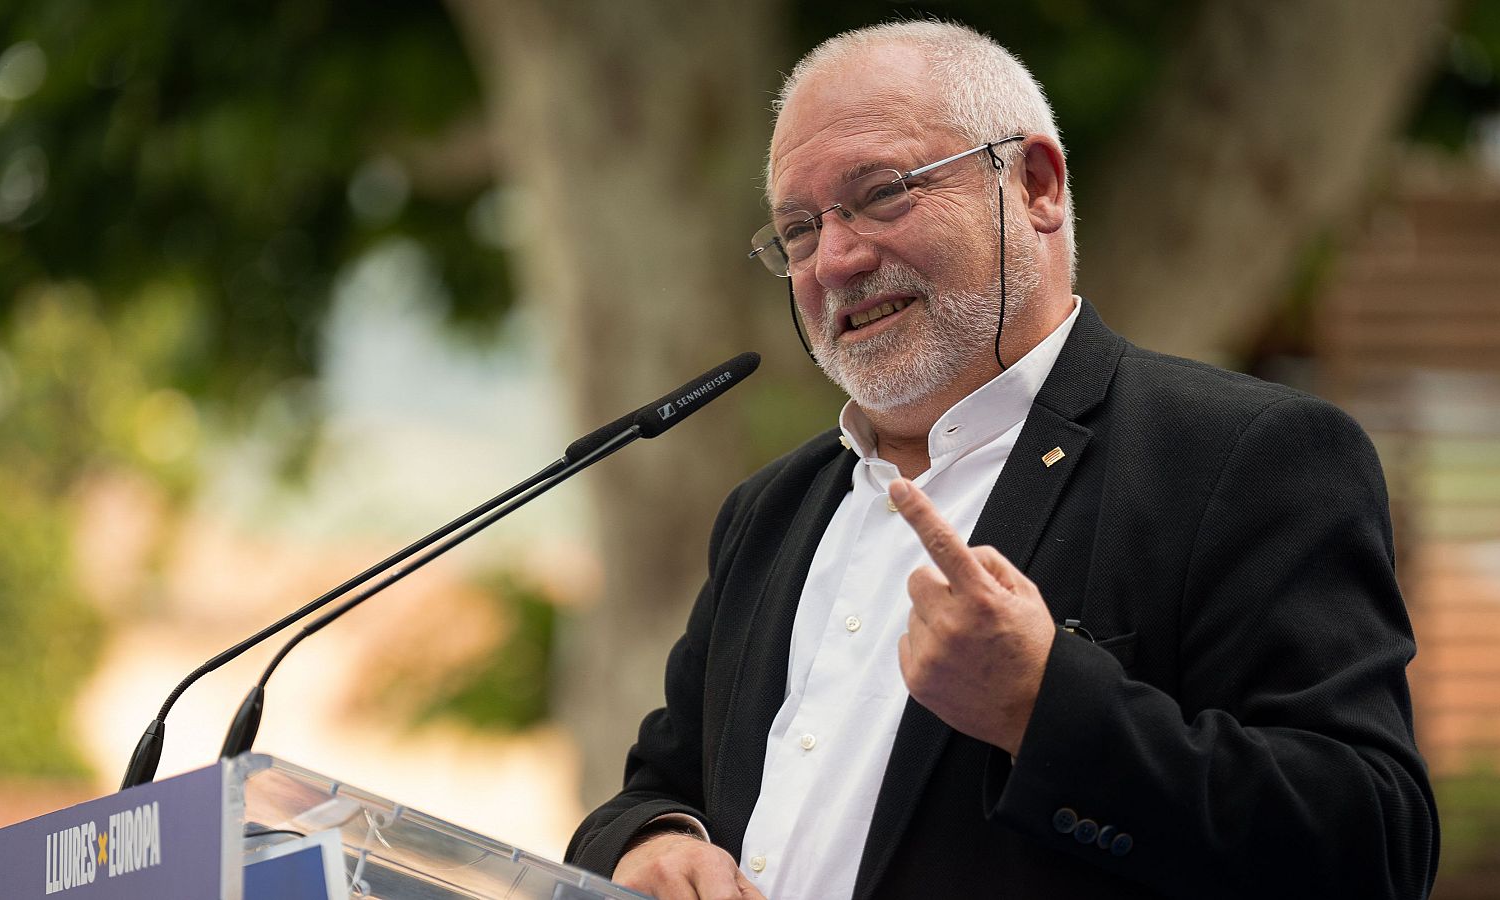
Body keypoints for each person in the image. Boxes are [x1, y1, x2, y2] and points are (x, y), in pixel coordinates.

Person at [567, 20, 1438, 900]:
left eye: (883, 193)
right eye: (797, 230)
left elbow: (1373, 845)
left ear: (1036, 186)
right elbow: (656, 787)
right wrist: (651, 842)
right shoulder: (771, 510)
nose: (835, 258)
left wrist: (1045, 705)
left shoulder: (1244, 459)